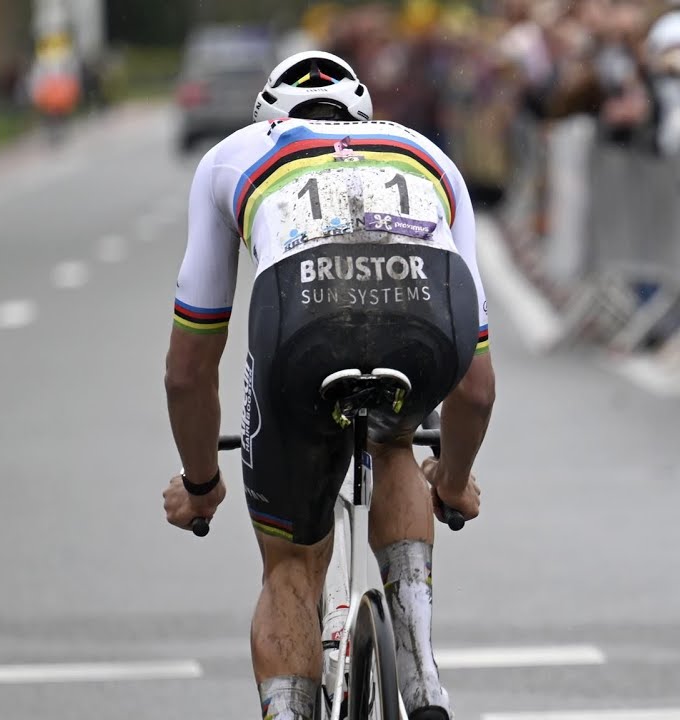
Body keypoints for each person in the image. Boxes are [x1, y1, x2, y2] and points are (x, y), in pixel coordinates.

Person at [159, 51, 495, 720]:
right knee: (394, 442)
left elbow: (188, 368)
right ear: (363, 113)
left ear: (268, 116)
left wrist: (201, 485)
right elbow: (477, 389)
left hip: (304, 328)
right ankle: (422, 671)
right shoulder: (426, 153)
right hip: (425, 319)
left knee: (289, 564)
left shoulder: (233, 155)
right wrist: (455, 479)